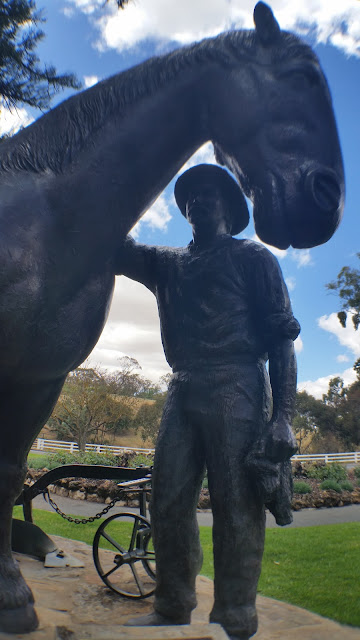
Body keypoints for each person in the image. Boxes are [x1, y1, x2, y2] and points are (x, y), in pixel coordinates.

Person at [115, 164, 300, 640]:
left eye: (210, 194)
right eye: (190, 195)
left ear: (230, 207)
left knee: (236, 506)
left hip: (237, 385)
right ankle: (173, 604)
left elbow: (281, 339)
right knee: (167, 498)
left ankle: (236, 616)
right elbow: (118, 249)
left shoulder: (254, 259)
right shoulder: (168, 262)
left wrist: (283, 416)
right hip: (184, 386)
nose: (198, 200)